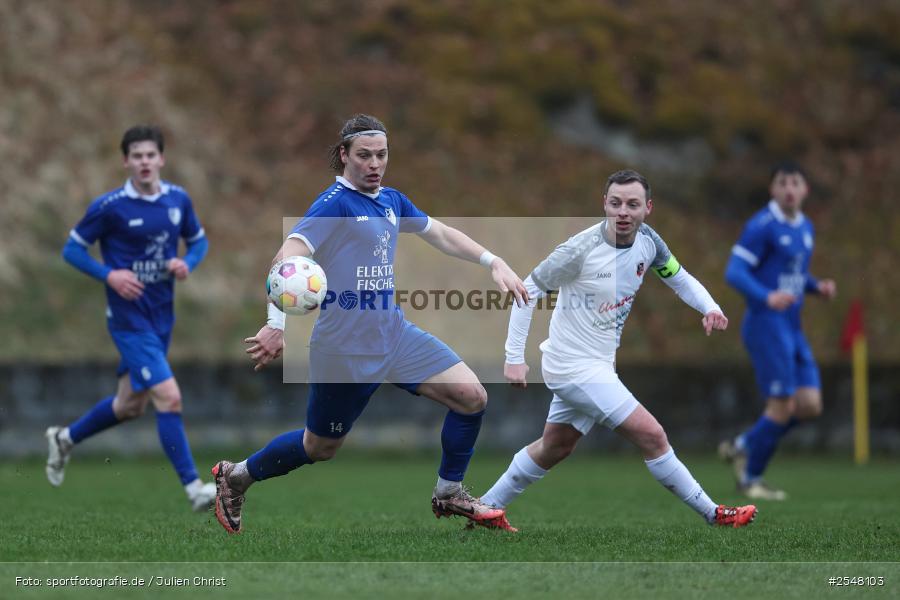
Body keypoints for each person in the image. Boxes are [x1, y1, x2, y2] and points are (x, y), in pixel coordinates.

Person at [211, 114, 528, 534]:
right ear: (344, 155)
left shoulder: (392, 200)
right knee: (319, 447)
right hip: (343, 351)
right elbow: (286, 258)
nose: (374, 163)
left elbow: (441, 234)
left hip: (394, 336)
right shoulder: (333, 205)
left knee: (471, 396)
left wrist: (494, 262)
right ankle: (235, 478)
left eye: (381, 155)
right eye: (364, 155)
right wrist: (276, 324)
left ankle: (449, 493)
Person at [478, 169, 757, 532]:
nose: (623, 211)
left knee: (555, 446)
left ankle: (485, 508)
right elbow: (525, 292)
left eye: (632, 204)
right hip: (572, 366)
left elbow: (678, 276)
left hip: (599, 366)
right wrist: (514, 357)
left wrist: (709, 307)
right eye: (615, 203)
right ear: (604, 205)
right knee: (653, 435)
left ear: (648, 208)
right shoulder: (579, 250)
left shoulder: (650, 244)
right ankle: (715, 514)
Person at [46, 125, 216, 511]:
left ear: (161, 159)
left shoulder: (178, 200)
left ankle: (65, 439)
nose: (144, 162)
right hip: (127, 320)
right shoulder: (109, 207)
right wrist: (110, 275)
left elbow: (200, 241)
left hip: (161, 316)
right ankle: (194, 488)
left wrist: (186, 262)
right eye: (136, 155)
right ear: (126, 161)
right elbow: (72, 251)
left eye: (150, 155)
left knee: (129, 406)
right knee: (168, 397)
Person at [718, 162, 836, 500]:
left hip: (792, 327)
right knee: (782, 406)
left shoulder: (806, 227)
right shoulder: (761, 226)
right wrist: (766, 297)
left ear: (805, 190)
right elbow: (734, 272)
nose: (788, 188)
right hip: (766, 325)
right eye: (782, 182)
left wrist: (816, 287)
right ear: (772, 189)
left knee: (810, 405)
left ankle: (742, 445)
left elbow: (792, 276)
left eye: (795, 182)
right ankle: (750, 479)